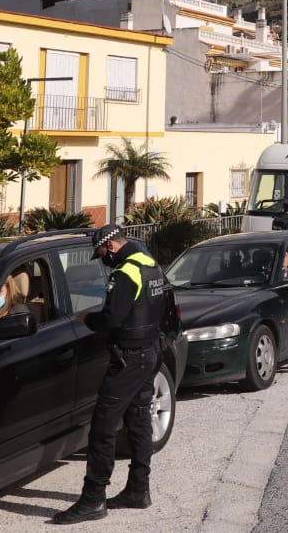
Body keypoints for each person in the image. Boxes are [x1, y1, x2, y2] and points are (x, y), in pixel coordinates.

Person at [53, 224, 173, 524]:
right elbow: (165, 305)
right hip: (150, 352)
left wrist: (86, 318)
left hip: (130, 357)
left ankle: (93, 498)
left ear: (112, 247)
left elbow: (111, 318)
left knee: (103, 426)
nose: (102, 258)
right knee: (138, 421)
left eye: (102, 253)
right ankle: (138, 489)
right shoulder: (151, 265)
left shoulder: (127, 272)